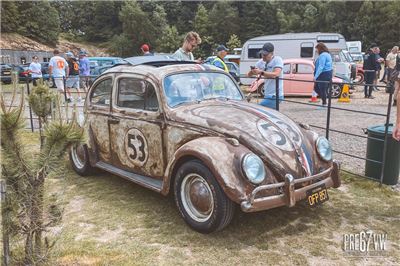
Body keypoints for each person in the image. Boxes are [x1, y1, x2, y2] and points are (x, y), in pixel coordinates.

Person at [247, 42, 283, 109]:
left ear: (272, 54)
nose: (263, 56)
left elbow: (276, 74)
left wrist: (261, 72)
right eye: (262, 54)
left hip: (275, 95)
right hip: (267, 95)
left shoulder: (277, 60)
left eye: (266, 54)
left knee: (259, 109)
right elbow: (248, 75)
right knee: (270, 115)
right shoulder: (260, 62)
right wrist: (252, 71)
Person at [313, 42, 333, 107]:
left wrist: (315, 77)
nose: (317, 51)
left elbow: (321, 67)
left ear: (320, 48)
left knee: (320, 88)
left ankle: (324, 103)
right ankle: (325, 101)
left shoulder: (323, 55)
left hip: (323, 74)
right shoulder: (327, 54)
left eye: (317, 49)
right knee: (323, 89)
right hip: (328, 73)